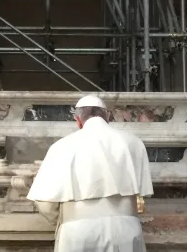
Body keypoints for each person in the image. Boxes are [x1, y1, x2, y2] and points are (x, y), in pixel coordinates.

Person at [27, 95, 153, 252]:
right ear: (107, 117)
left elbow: (44, 203)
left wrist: (62, 220)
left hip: (78, 230)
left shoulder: (62, 146)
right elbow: (142, 192)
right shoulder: (133, 142)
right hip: (125, 229)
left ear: (77, 120)